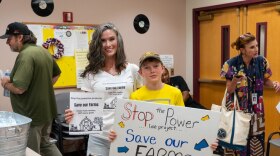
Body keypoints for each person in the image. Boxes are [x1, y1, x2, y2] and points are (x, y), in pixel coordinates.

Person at [109, 51, 218, 151]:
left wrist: (207, 141)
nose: (152, 71)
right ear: (141, 72)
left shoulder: (175, 93)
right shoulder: (135, 96)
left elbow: (184, 125)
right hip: (146, 147)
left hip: (171, 147)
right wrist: (117, 135)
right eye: (147, 68)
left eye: (156, 66)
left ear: (162, 68)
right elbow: (131, 128)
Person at [64, 22, 142, 156]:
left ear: (118, 40)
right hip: (98, 138)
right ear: (97, 44)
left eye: (111, 39)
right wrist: (74, 116)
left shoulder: (133, 70)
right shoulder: (90, 73)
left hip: (126, 136)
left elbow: (142, 101)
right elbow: (86, 106)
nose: (108, 44)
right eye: (103, 41)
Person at [0, 22, 62, 156]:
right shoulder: (43, 51)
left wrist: (5, 83)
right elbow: (56, 74)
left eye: (9, 38)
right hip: (46, 113)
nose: (7, 43)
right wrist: (41, 86)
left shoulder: (25, 55)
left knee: (32, 151)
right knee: (46, 145)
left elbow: (19, 88)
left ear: (20, 37)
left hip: (31, 116)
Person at [220, 32, 280, 155]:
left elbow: (264, 80)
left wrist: (274, 84)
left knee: (256, 143)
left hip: (257, 109)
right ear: (242, 49)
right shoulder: (231, 64)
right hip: (237, 109)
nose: (256, 49)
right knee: (236, 141)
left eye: (256, 46)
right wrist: (235, 81)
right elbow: (229, 90)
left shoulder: (261, 61)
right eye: (252, 47)